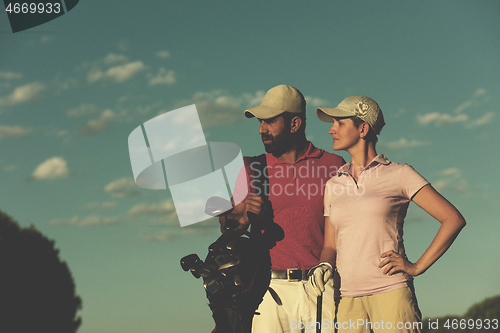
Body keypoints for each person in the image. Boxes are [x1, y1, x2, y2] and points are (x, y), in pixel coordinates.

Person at [310, 96, 466, 333]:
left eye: (340, 123)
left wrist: (416, 266)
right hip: (347, 299)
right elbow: (330, 245)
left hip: (391, 293)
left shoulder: (400, 174)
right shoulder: (333, 185)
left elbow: (453, 219)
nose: (332, 129)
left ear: (363, 128)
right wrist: (324, 265)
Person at [220, 84, 344, 333]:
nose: (261, 129)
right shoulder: (252, 167)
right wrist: (242, 219)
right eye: (260, 122)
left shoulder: (334, 165)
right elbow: (228, 224)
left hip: (322, 287)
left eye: (269, 122)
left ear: (295, 124)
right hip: (269, 292)